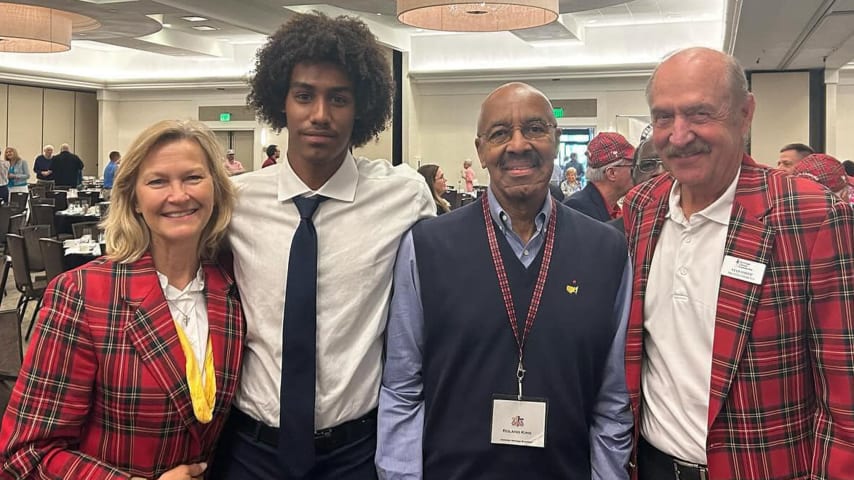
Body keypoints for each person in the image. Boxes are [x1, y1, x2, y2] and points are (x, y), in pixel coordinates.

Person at [212, 12, 434, 480]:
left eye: (339, 99)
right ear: (281, 102)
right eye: (304, 95)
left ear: (362, 108)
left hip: (355, 452)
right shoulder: (236, 201)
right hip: (251, 449)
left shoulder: (404, 197)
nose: (319, 115)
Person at [377, 82, 632, 479]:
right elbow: (402, 387)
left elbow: (613, 398)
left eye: (534, 129)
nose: (518, 145)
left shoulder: (608, 251)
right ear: (480, 150)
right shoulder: (426, 247)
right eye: (499, 134)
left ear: (556, 139)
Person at [624, 47, 854, 480]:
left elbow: (845, 397)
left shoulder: (810, 216)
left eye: (699, 114)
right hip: (651, 465)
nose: (678, 135)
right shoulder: (642, 207)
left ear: (745, 115)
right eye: (663, 117)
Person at [0, 119, 244, 479]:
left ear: (216, 190)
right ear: (133, 199)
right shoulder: (83, 293)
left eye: (193, 177)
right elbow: (25, 454)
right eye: (157, 181)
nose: (178, 195)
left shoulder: (233, 287)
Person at [564, 132, 635, 222]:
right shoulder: (578, 211)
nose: (637, 172)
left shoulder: (612, 208)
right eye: (632, 166)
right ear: (612, 173)